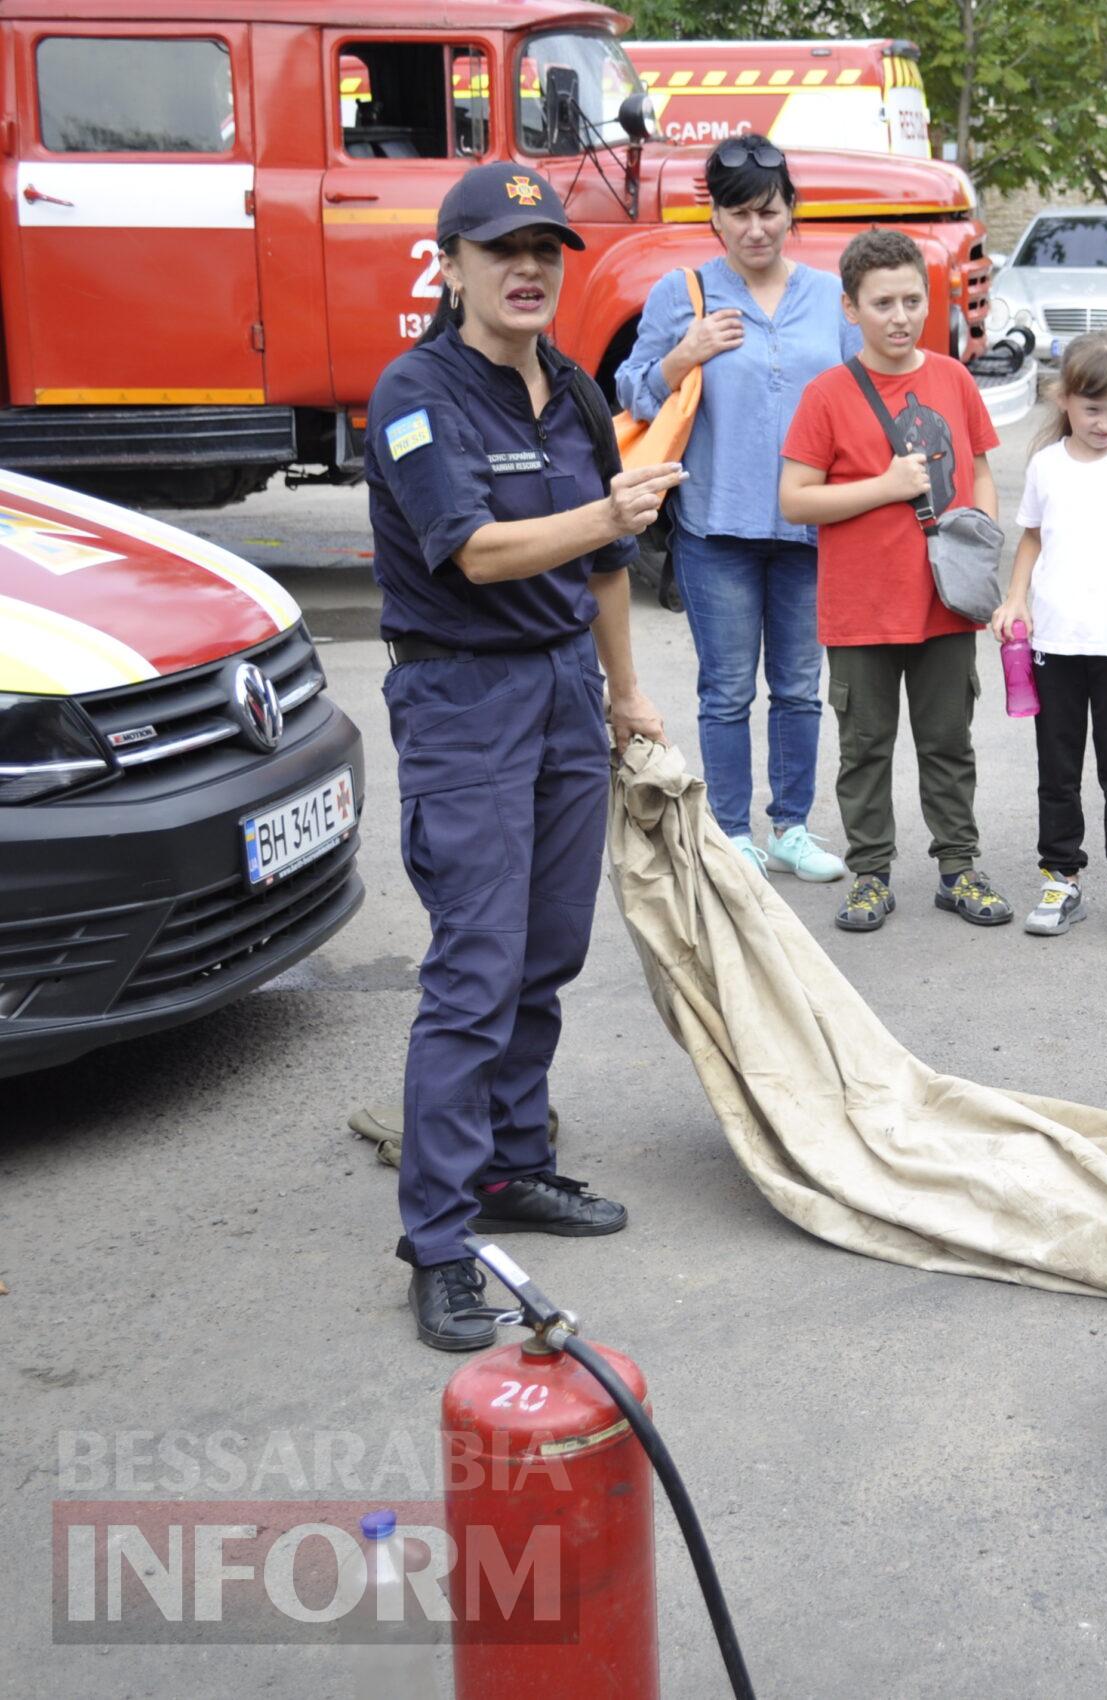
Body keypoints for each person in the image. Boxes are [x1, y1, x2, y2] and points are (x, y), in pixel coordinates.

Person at [366, 163, 675, 1350]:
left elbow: (602, 573)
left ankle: (511, 1169)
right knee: (473, 969)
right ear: (450, 267)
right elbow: (479, 552)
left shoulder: (576, 393)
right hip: (462, 697)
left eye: (546, 247)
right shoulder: (416, 393)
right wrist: (611, 513)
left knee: (547, 950)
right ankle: (438, 1240)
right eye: (503, 249)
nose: (531, 267)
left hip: (558, 690)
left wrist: (625, 692)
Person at [616, 135, 859, 883]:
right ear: (714, 218)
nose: (756, 229)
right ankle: (729, 832)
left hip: (810, 525)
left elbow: (861, 394)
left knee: (797, 687)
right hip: (715, 524)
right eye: (738, 213)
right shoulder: (681, 293)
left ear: (793, 214)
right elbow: (629, 393)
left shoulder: (829, 296)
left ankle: (790, 826)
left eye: (770, 211)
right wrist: (682, 354)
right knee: (725, 691)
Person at [779, 230, 1009, 933]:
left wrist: (981, 543)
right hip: (860, 610)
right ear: (851, 308)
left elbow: (981, 470)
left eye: (913, 299)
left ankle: (959, 868)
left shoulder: (954, 378)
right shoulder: (827, 395)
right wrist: (883, 487)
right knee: (865, 749)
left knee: (948, 743)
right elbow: (795, 500)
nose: (900, 316)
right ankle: (871, 873)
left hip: (945, 605)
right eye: (883, 303)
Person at [990, 333, 1107, 944]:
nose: (1106, 422)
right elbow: (1031, 538)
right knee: (1058, 767)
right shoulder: (1046, 466)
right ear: (1063, 398)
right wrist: (1016, 598)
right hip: (1056, 644)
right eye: (1093, 409)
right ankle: (1061, 876)